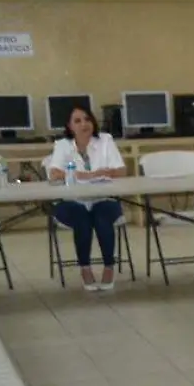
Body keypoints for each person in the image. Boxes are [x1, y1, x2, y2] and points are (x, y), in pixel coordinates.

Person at [44, 105, 128, 291]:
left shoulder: (105, 140)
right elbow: (55, 173)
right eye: (78, 121)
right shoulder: (63, 145)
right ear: (69, 126)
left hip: (104, 198)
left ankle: (108, 267)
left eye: (87, 119)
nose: (84, 124)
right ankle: (85, 267)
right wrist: (88, 176)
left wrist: (107, 172)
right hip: (71, 200)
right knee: (81, 217)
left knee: (101, 216)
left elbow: (121, 170)